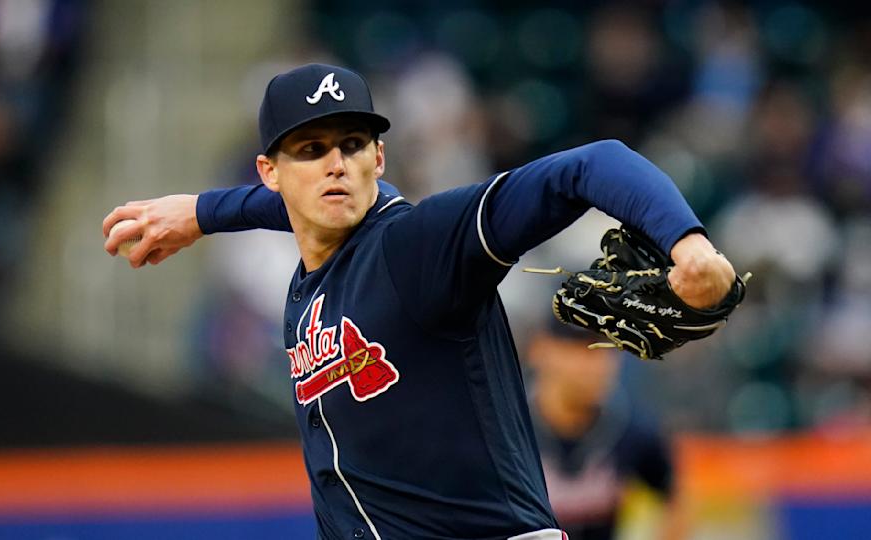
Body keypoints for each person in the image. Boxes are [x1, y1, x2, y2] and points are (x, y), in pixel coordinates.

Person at [102, 63, 736, 540]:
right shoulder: (316, 266)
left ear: (378, 156)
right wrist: (203, 212)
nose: (336, 165)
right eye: (311, 149)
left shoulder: (418, 246)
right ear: (268, 171)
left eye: (352, 145)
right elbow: (303, 206)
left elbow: (592, 164)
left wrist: (689, 245)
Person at [528, 320, 685, 540]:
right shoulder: (506, 430)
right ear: (541, 348)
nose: (598, 364)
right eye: (583, 347)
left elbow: (676, 498)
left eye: (608, 349)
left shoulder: (630, 428)